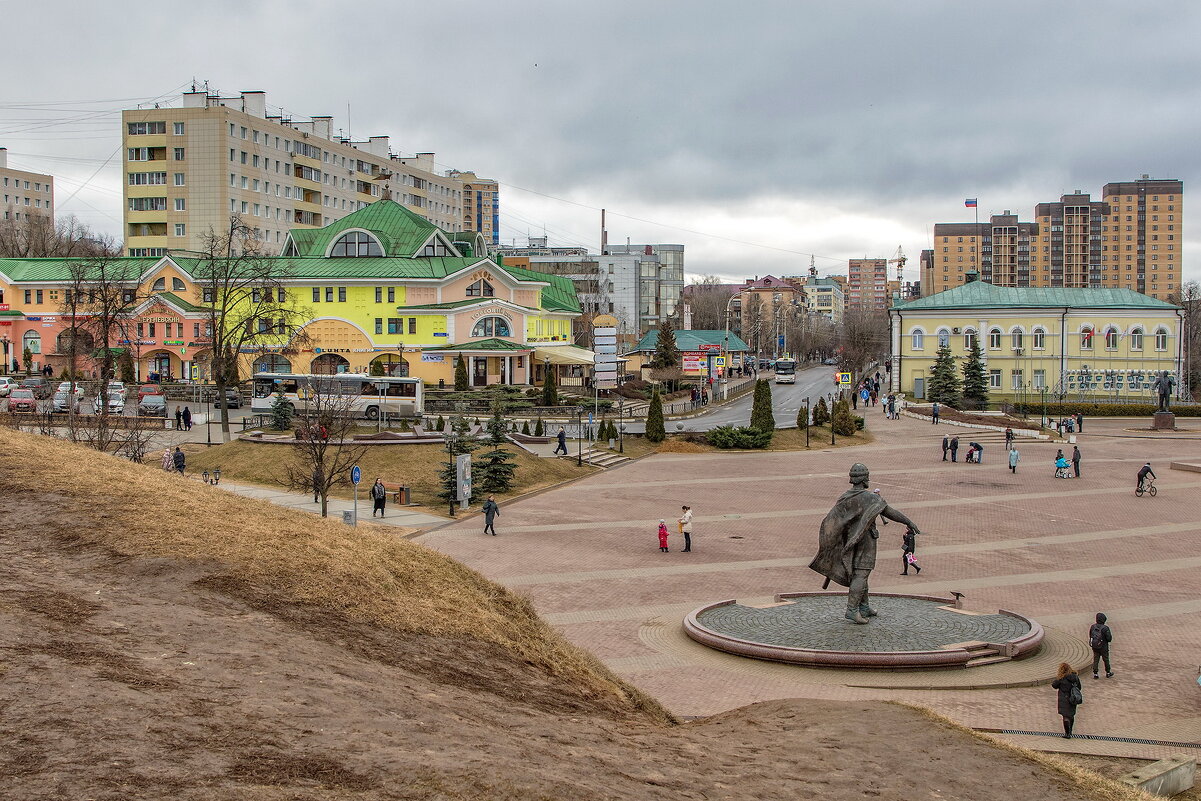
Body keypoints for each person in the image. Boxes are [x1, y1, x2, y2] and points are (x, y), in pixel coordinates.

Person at [809, 464, 922, 624]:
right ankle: (852, 609)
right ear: (864, 479)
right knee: (861, 574)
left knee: (861, 575)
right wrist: (909, 522)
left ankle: (864, 606)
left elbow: (833, 522)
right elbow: (890, 512)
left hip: (851, 540)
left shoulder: (845, 497)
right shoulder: (870, 498)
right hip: (865, 541)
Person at [1051, 663, 1082, 738]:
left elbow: (1054, 685)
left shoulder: (1061, 678)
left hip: (1063, 699)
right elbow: (1079, 687)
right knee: (1071, 715)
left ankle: (1067, 733)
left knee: (1065, 716)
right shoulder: (1075, 677)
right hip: (1073, 698)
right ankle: (1070, 731)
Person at [1089, 612, 1114, 679]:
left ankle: (1095, 673)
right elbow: (1109, 639)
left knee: (1096, 659)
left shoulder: (1093, 626)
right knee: (1106, 659)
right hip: (1103, 647)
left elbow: (1090, 635)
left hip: (1095, 646)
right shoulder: (1105, 628)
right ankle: (1108, 672)